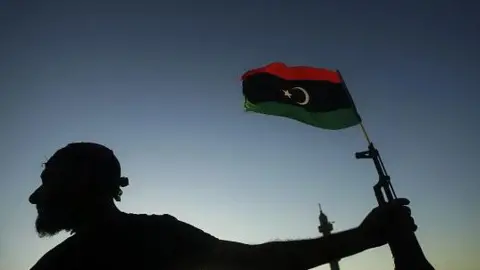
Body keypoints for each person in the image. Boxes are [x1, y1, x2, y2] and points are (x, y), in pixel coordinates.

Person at [29, 142, 417, 270]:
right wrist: (364, 238)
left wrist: (364, 237)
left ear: (84, 183)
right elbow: (259, 262)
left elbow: (257, 262)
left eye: (48, 181)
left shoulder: (150, 238)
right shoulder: (156, 235)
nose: (35, 195)